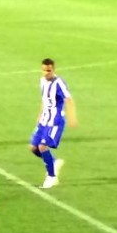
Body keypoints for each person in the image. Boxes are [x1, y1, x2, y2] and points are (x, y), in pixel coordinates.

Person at [31, 58, 78, 189]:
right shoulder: (42, 81)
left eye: (49, 70)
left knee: (42, 146)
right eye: (44, 70)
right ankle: (54, 162)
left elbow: (69, 99)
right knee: (33, 148)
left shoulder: (59, 83)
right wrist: (39, 116)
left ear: (53, 70)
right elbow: (44, 100)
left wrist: (72, 117)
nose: (46, 73)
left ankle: (52, 177)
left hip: (55, 121)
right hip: (44, 119)